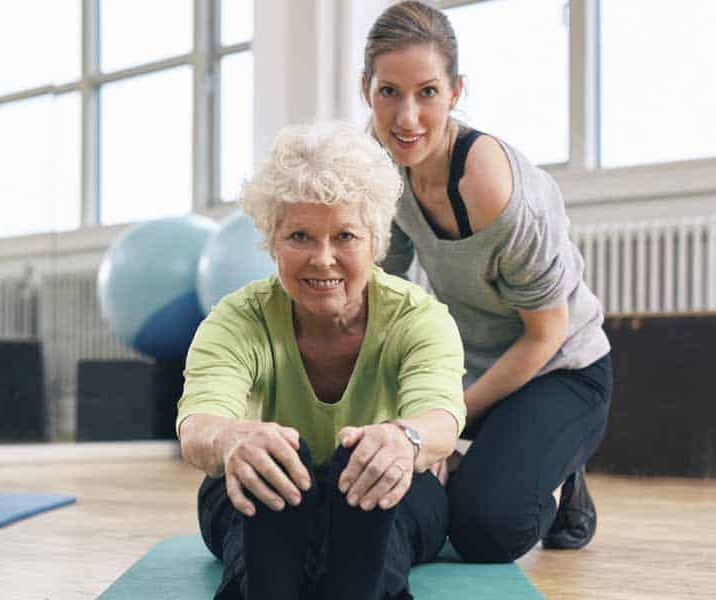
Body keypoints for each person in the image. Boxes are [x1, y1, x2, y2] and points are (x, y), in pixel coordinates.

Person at [362, 1, 613, 562]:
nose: (406, 118)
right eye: (389, 92)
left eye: (426, 92)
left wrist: (445, 419)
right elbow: (383, 278)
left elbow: (546, 334)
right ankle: (490, 459)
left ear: (455, 92)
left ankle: (564, 481)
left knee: (487, 530)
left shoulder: (490, 185)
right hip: (465, 367)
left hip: (560, 369)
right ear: (366, 90)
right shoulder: (380, 159)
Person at [177, 121, 466, 600]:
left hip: (385, 481)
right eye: (300, 236)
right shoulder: (235, 319)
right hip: (262, 483)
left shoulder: (418, 318)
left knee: (381, 508)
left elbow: (440, 415)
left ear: (376, 242)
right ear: (272, 241)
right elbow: (197, 424)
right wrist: (232, 440)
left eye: (345, 236)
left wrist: (404, 440)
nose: (323, 259)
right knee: (267, 475)